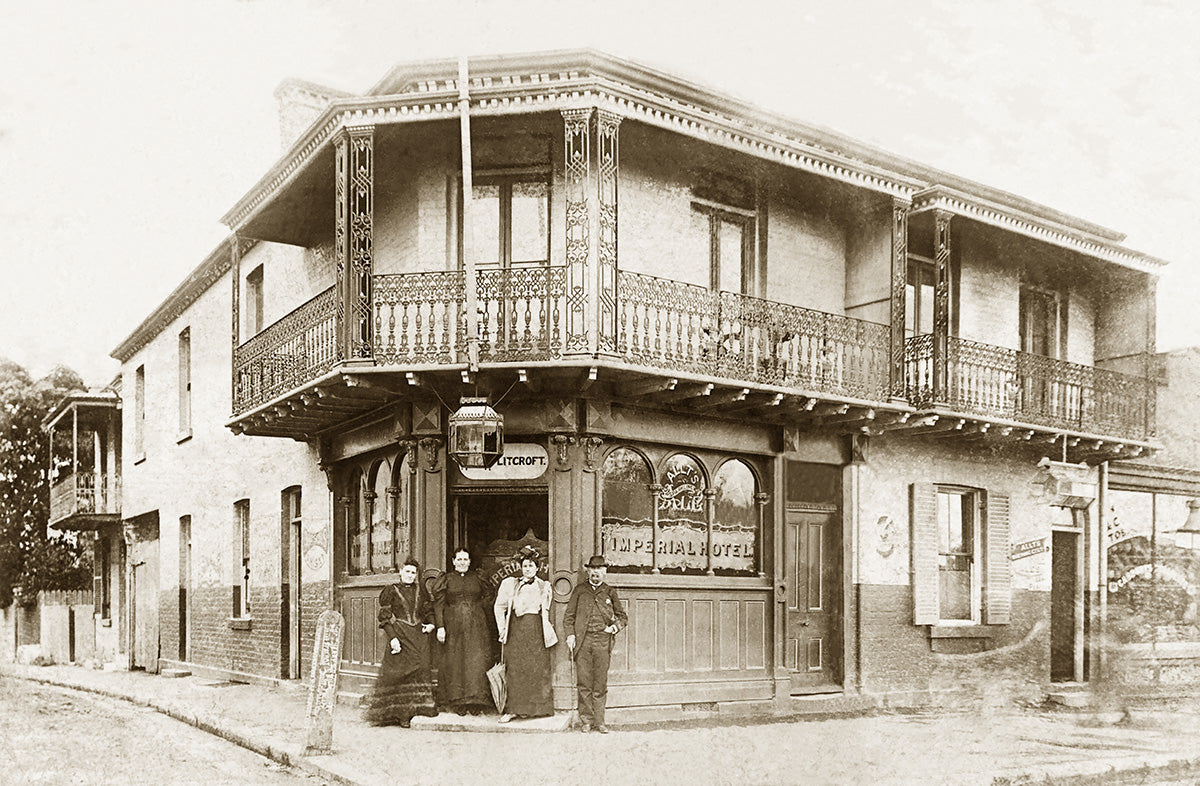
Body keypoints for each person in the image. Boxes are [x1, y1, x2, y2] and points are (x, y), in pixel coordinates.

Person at [364, 558, 438, 727]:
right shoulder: (391, 590)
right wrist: (393, 638)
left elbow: (428, 611)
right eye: (407, 572)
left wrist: (432, 624)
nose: (410, 576)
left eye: (413, 573)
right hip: (401, 634)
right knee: (401, 672)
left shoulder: (421, 591)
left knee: (420, 669)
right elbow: (384, 617)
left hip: (419, 635)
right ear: (401, 573)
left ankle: (418, 709)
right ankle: (402, 714)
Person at [564, 554, 627, 734]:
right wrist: (570, 636)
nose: (595, 573)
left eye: (599, 569)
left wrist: (613, 628)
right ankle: (586, 720)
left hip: (602, 642)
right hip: (583, 643)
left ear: (604, 571)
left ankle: (600, 722)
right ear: (588, 571)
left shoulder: (610, 592)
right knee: (584, 683)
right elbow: (568, 617)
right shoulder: (579, 591)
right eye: (592, 569)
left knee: (600, 683)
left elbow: (623, 617)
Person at [493, 547, 557, 722]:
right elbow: (499, 607)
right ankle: (512, 709)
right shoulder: (510, 584)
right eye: (525, 565)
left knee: (536, 669)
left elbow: (546, 609)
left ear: (537, 568)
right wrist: (502, 629)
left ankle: (537, 709)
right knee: (515, 669)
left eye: (531, 566)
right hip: (516, 630)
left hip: (536, 631)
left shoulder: (544, 586)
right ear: (521, 567)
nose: (528, 568)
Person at [432, 548, 492, 715]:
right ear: (453, 561)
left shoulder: (477, 577)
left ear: (470, 561)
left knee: (476, 661)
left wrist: (478, 609)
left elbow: (488, 596)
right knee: (456, 661)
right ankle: (458, 702)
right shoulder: (447, 579)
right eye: (459, 559)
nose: (462, 562)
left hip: (477, 626)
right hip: (453, 626)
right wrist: (440, 626)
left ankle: (475, 701)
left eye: (465, 559)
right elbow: (439, 605)